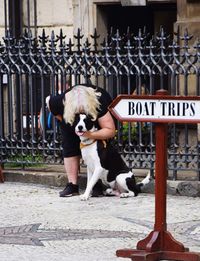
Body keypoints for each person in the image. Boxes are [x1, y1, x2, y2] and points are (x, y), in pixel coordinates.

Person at [46, 83, 116, 197]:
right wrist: (66, 123)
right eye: (77, 112)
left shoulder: (100, 101)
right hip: (69, 117)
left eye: (83, 111)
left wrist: (90, 134)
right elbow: (50, 105)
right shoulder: (59, 101)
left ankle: (96, 183)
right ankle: (72, 185)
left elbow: (110, 130)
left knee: (98, 148)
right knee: (69, 144)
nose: (80, 114)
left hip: (97, 120)